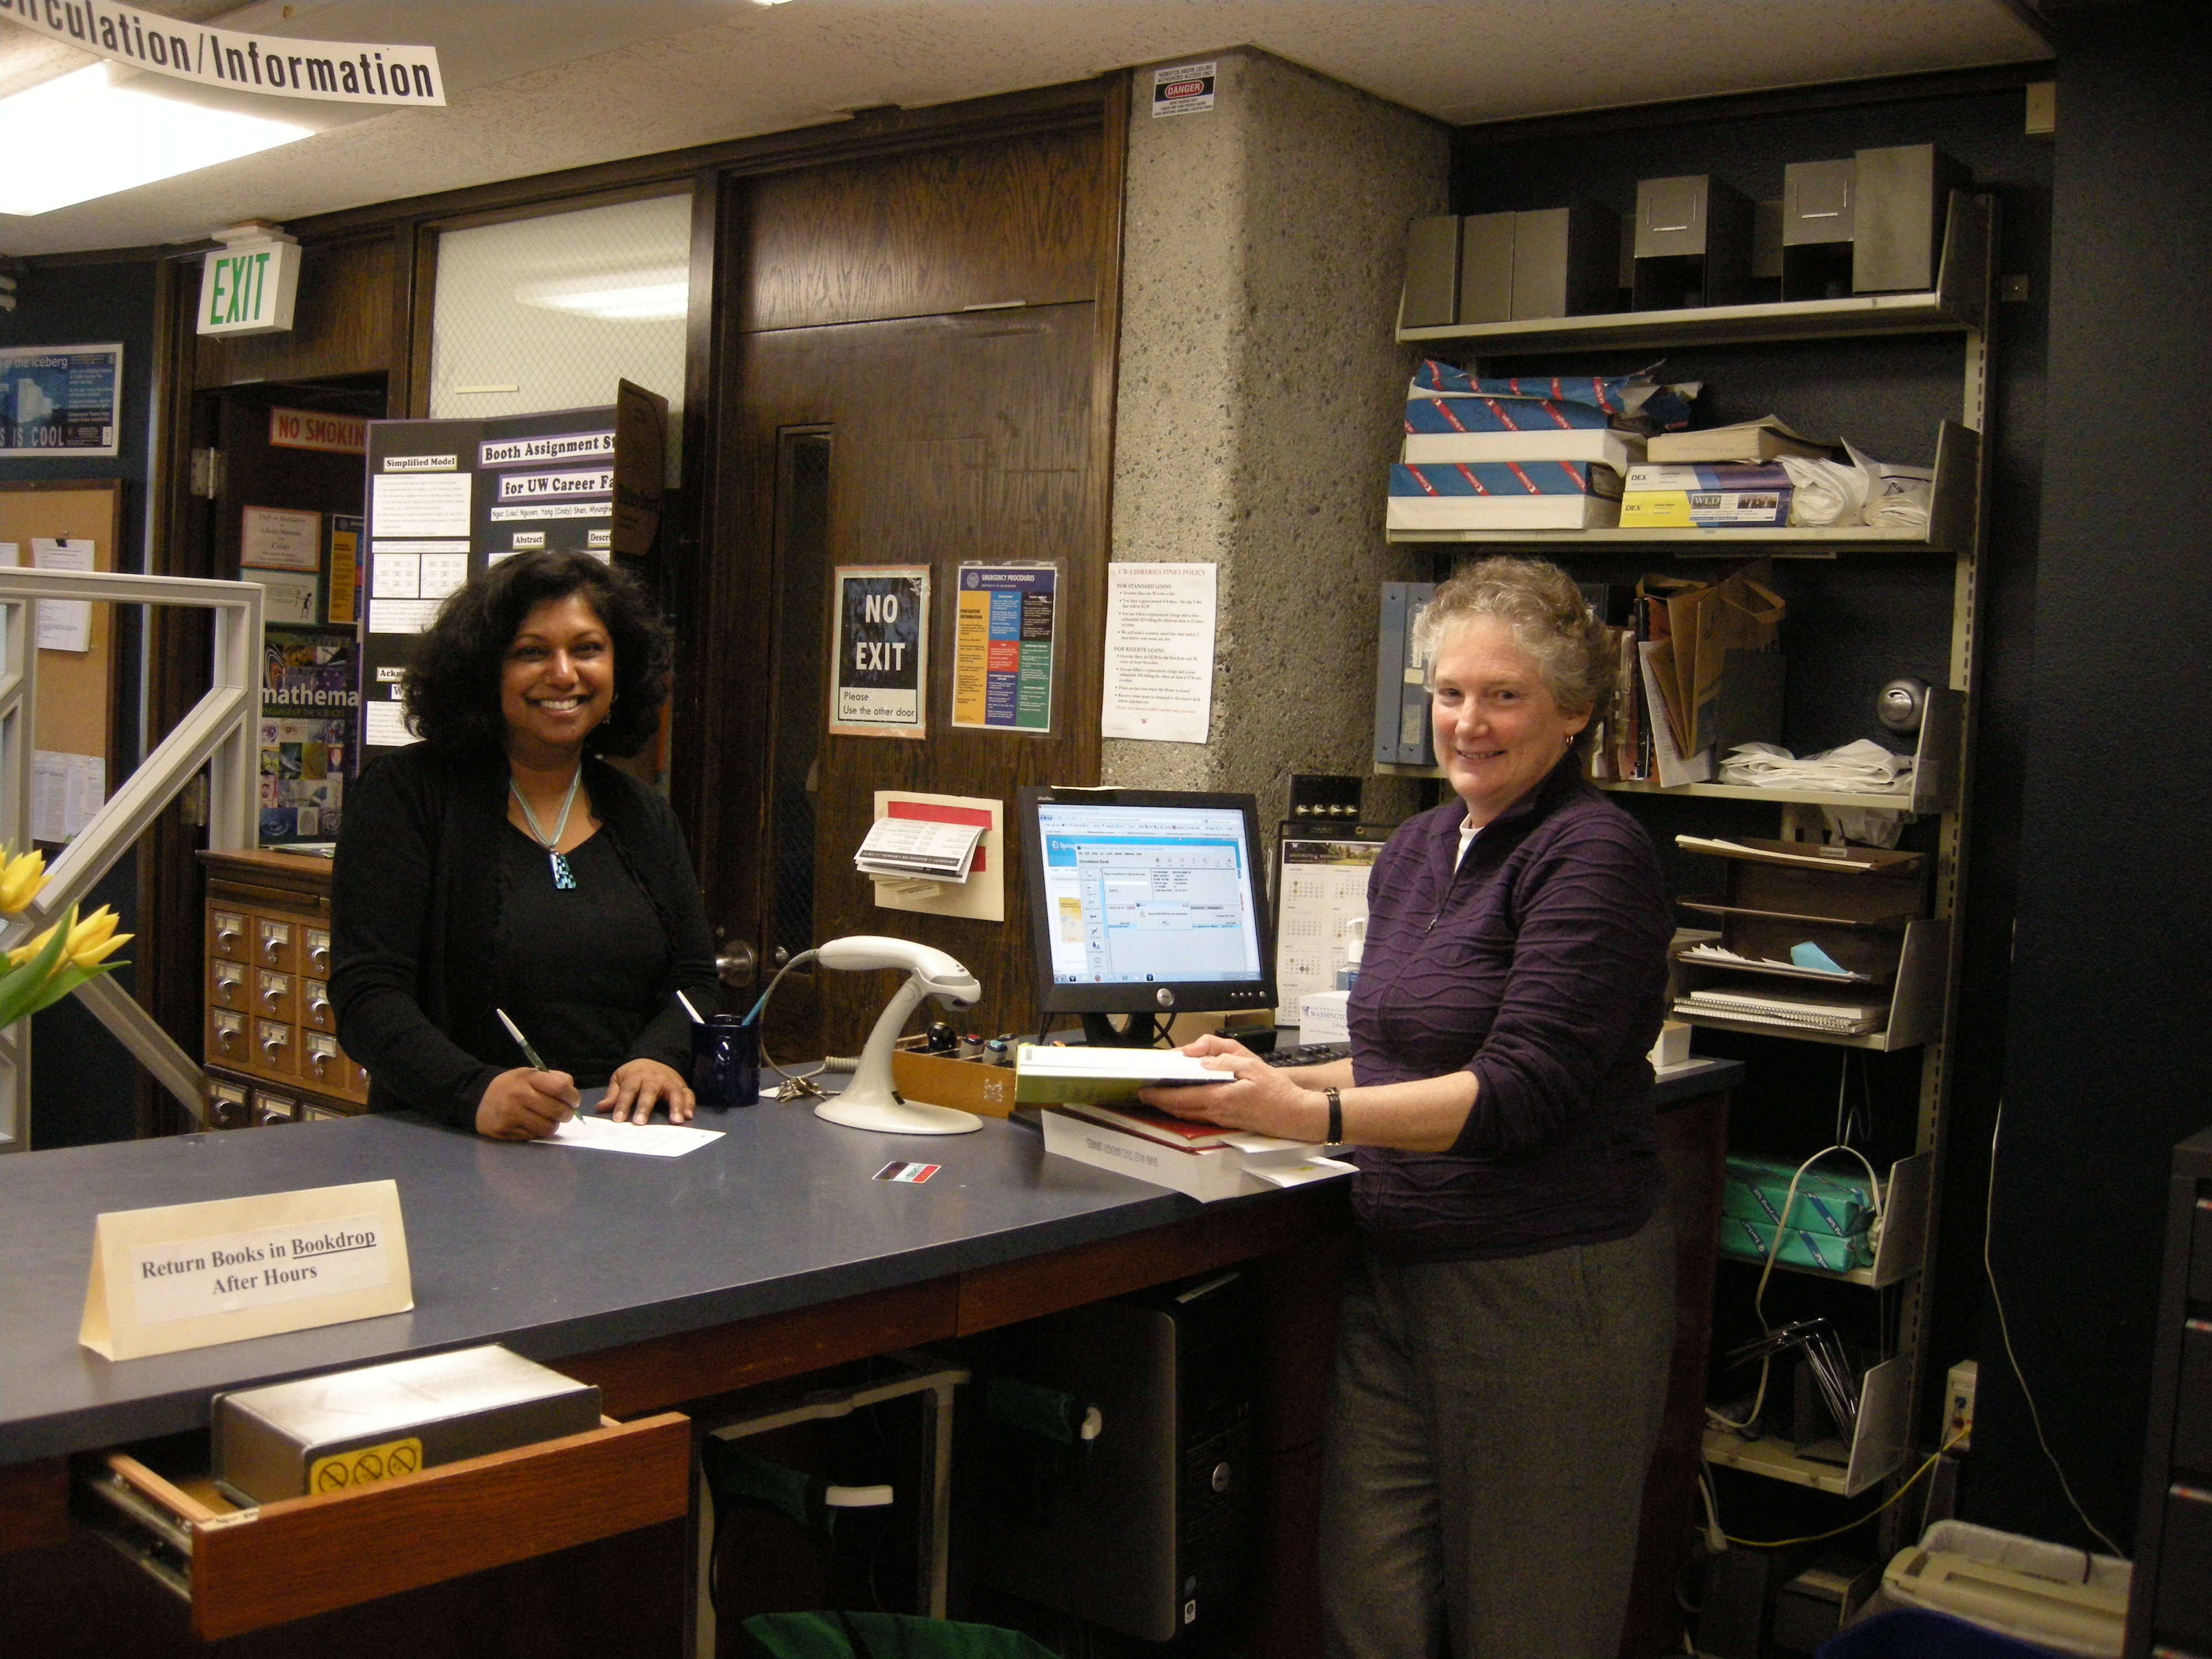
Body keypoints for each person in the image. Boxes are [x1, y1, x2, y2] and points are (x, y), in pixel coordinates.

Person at [1140, 556, 1675, 1658]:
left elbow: (1519, 1091)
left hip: (1541, 1291)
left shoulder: (1593, 855)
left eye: (1502, 695)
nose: (1466, 723)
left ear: (1572, 712)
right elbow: (1387, 1056)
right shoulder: (1421, 849)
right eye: (1446, 693)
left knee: (1530, 1628)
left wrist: (1309, 1119)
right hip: (1396, 1278)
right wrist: (1249, 1087)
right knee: (1370, 1615)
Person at [332, 551, 721, 1141]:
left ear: (620, 668)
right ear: (484, 671)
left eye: (587, 649)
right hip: (449, 1140)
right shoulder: (406, 797)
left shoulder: (642, 815)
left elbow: (695, 980)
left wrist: (660, 1058)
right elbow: (367, 996)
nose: (563, 674)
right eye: (531, 652)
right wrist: (473, 1092)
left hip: (626, 1144)